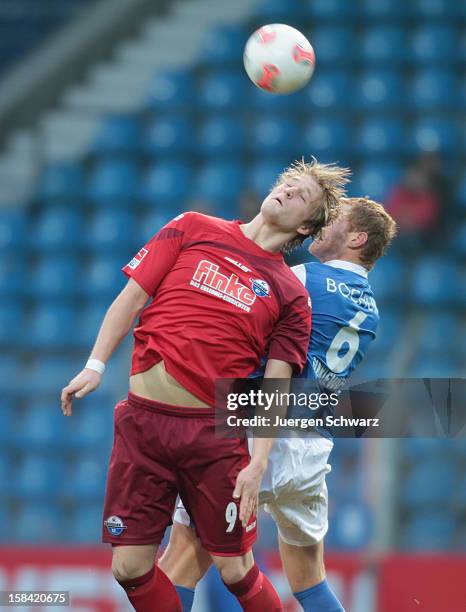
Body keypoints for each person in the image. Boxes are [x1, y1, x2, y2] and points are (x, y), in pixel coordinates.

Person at [60, 158, 350, 612]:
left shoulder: (291, 293)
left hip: (212, 435)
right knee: (129, 568)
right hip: (143, 423)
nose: (288, 191)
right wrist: (95, 364)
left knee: (236, 570)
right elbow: (132, 297)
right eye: (287, 183)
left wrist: (258, 462)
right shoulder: (192, 226)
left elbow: (276, 386)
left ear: (306, 226)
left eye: (302, 195)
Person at [158, 196, 397, 612]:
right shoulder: (369, 306)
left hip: (257, 432)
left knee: (179, 561)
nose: (322, 224)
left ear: (356, 237)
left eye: (335, 219)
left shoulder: (304, 278)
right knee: (310, 581)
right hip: (312, 448)